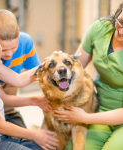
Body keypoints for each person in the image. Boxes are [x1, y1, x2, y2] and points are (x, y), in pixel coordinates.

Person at [0, 27, 59, 150]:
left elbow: (19, 79)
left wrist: (48, 64)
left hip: (0, 135)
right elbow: (0, 125)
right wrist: (35, 134)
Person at [53, 2, 123, 150]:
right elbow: (77, 67)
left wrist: (84, 117)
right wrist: (59, 64)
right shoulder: (100, 28)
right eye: (121, 22)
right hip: (99, 107)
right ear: (118, 13)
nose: (121, 31)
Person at [0, 9, 51, 129]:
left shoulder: (26, 41)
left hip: (9, 111)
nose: (9, 54)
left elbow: (39, 77)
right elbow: (17, 82)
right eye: (3, 50)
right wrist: (49, 64)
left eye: (14, 47)